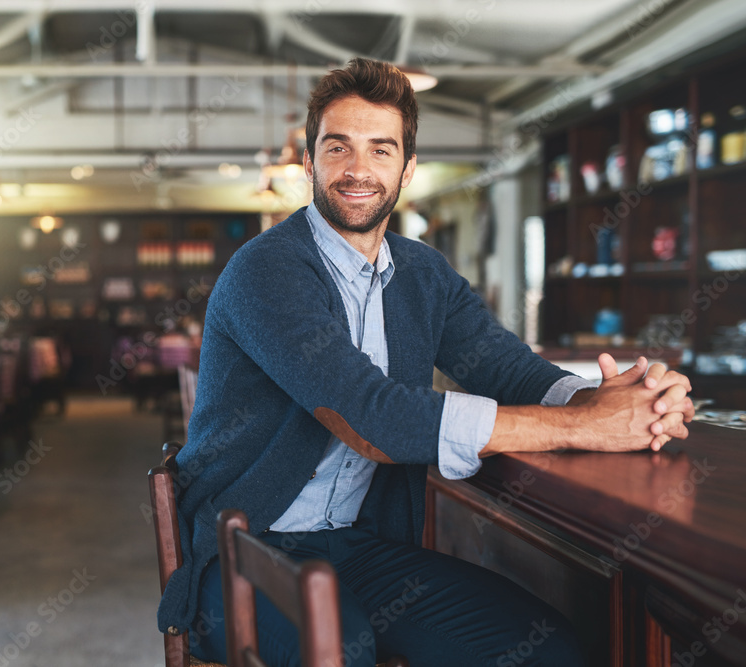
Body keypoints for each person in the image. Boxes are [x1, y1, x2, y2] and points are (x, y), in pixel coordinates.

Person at [157, 58, 694, 667]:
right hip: (239, 552)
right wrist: (584, 426)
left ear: (407, 169)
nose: (359, 169)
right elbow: (372, 418)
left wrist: (617, 401)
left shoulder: (423, 274)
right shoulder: (268, 270)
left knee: (545, 650)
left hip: (359, 548)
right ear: (310, 162)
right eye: (338, 148)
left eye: (381, 151)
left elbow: (512, 371)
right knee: (343, 647)